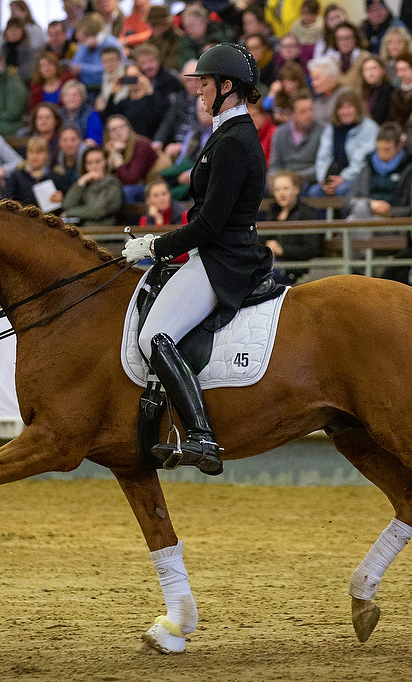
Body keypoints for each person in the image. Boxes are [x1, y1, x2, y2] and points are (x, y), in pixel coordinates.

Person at [121, 44, 274, 476]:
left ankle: (202, 435)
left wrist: (156, 246)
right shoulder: (225, 134)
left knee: (154, 336)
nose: (199, 93)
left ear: (227, 87)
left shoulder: (234, 141)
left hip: (224, 260)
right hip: (220, 251)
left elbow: (210, 224)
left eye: (204, 84)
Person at [309, 90, 378, 198]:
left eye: (349, 107)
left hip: (356, 177)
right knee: (314, 192)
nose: (345, 111)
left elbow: (362, 160)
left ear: (357, 109)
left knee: (342, 190)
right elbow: (323, 156)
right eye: (341, 108)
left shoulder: (368, 128)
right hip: (332, 177)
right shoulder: (331, 129)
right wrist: (324, 179)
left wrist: (344, 177)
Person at [263, 170, 325, 284]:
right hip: (273, 264)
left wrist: (282, 250)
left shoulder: (306, 214)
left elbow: (311, 249)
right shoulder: (272, 213)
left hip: (295, 270)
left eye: (285, 188)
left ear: (296, 189)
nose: (281, 193)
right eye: (277, 190)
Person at [347, 122, 412, 219]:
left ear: (398, 147)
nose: (382, 154)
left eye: (387, 150)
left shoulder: (409, 169)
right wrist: (370, 203)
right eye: (379, 149)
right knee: (357, 211)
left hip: (394, 221)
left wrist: (390, 211)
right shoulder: (367, 167)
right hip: (366, 213)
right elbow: (350, 198)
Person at [268, 92, 323, 190]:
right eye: (303, 111)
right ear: (292, 114)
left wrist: (295, 177)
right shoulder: (280, 133)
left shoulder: (321, 131)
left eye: (310, 110)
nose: (309, 115)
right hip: (282, 180)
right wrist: (278, 179)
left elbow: (321, 165)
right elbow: (274, 165)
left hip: (307, 180)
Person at [1, 136, 70, 211]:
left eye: (39, 152)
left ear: (47, 155)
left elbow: (70, 201)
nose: (34, 156)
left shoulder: (56, 176)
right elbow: (5, 202)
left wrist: (62, 199)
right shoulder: (16, 176)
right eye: (31, 151)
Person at [104, 114, 160, 204]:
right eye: (114, 129)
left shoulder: (141, 145)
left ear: (129, 128)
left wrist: (117, 158)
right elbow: (105, 178)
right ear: (108, 134)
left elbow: (131, 180)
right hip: (129, 186)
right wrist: (112, 154)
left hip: (149, 186)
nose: (119, 131)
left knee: (127, 191)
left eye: (122, 127)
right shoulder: (110, 148)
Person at [62, 146, 124, 225]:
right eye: (89, 163)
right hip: (83, 231)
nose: (94, 166)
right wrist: (81, 181)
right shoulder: (84, 184)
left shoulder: (113, 184)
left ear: (105, 162)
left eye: (98, 162)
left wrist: (69, 213)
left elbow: (98, 211)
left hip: (105, 232)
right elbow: (67, 205)